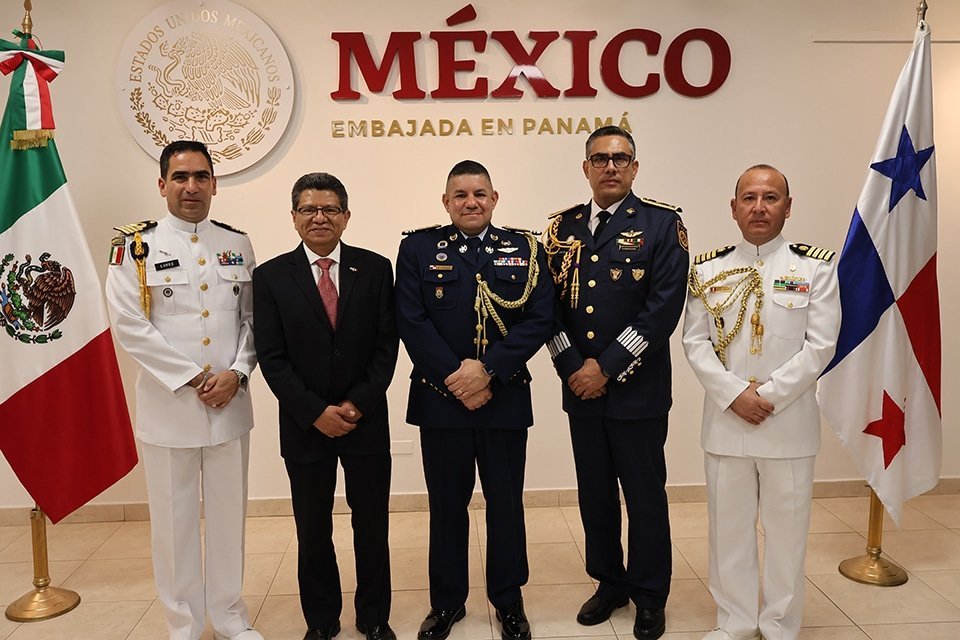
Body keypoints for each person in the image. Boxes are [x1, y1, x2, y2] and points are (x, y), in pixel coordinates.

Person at [105, 140, 261, 640]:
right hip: (170, 406)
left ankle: (230, 617)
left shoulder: (237, 243)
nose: (191, 187)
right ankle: (184, 625)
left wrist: (237, 371)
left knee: (228, 518)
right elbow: (129, 325)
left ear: (215, 183)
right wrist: (194, 378)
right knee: (173, 527)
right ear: (162, 185)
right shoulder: (135, 246)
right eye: (180, 177)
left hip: (230, 404)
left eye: (200, 177)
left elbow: (254, 321)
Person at [395, 160, 553, 640]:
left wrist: (486, 371)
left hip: (502, 397)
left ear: (494, 198)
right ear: (445, 202)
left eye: (479, 193)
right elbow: (411, 321)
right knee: (446, 505)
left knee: (506, 504)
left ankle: (508, 601)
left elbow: (539, 317)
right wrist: (456, 379)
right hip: (441, 402)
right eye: (460, 194)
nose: (470, 202)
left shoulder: (526, 249)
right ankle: (446, 603)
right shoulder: (418, 248)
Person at [681, 165, 841, 640]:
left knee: (787, 535)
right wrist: (734, 396)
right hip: (727, 425)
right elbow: (694, 342)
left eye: (770, 198)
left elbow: (821, 344)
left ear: (788, 208)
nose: (759, 207)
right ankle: (734, 621)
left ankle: (779, 625)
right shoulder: (708, 269)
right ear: (733, 208)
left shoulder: (814, 267)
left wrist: (767, 396)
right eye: (748, 198)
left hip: (787, 426)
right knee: (728, 532)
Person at [542, 125, 689, 639]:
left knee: (645, 496)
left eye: (620, 158)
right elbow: (548, 310)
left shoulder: (662, 225)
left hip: (638, 390)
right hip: (581, 391)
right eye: (600, 158)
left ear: (635, 167)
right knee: (595, 495)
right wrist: (572, 370)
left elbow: (662, 308)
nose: (610, 166)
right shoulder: (560, 228)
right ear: (585, 167)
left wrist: (603, 367)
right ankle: (609, 582)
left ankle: (650, 594)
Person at [252, 172, 399, 640]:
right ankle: (321, 620)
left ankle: (374, 617)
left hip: (366, 423)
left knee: (371, 526)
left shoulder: (375, 269)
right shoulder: (271, 276)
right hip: (304, 426)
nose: (320, 217)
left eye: (330, 209)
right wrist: (315, 412)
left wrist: (356, 405)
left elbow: (385, 348)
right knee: (312, 531)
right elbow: (272, 359)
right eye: (309, 209)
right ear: (294, 218)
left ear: (346, 216)